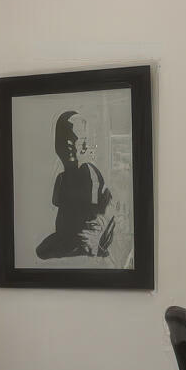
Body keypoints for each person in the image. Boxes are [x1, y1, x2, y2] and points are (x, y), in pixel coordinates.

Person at [35, 109, 119, 260]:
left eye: (80, 141)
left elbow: (98, 212)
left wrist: (96, 237)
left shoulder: (91, 174)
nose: (73, 146)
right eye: (68, 141)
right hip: (65, 238)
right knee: (41, 252)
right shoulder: (62, 178)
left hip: (84, 240)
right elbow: (58, 204)